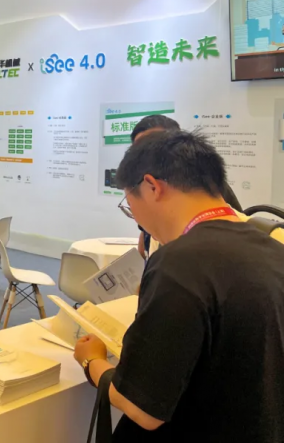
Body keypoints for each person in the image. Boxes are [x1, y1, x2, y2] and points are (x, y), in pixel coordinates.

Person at [74, 130, 284, 442]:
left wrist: (92, 361)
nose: (137, 219)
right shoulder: (274, 250)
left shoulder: (178, 263)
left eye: (130, 205)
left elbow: (142, 408)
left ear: (152, 186)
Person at [128, 115, 242, 259]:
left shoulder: (203, 185)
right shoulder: (143, 187)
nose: (147, 155)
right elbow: (146, 231)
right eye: (140, 149)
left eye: (156, 144)